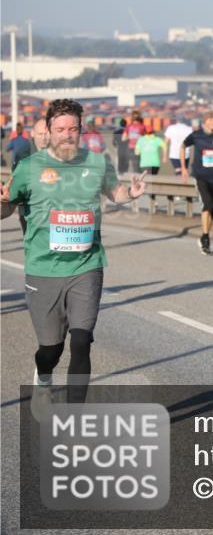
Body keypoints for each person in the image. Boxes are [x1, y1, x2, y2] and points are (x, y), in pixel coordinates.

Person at [0, 99, 147, 419]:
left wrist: (130, 194)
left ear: (81, 129)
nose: (67, 134)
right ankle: (43, 379)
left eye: (73, 128)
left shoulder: (97, 163)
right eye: (60, 129)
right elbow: (7, 208)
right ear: (49, 131)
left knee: (81, 340)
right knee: (50, 349)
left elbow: (115, 192)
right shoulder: (29, 167)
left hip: (87, 266)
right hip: (43, 269)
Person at [180, 113, 213, 255]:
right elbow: (182, 146)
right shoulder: (196, 135)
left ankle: (205, 235)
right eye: (210, 120)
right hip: (200, 176)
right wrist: (184, 168)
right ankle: (205, 238)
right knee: (208, 204)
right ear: (205, 122)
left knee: (212, 209)